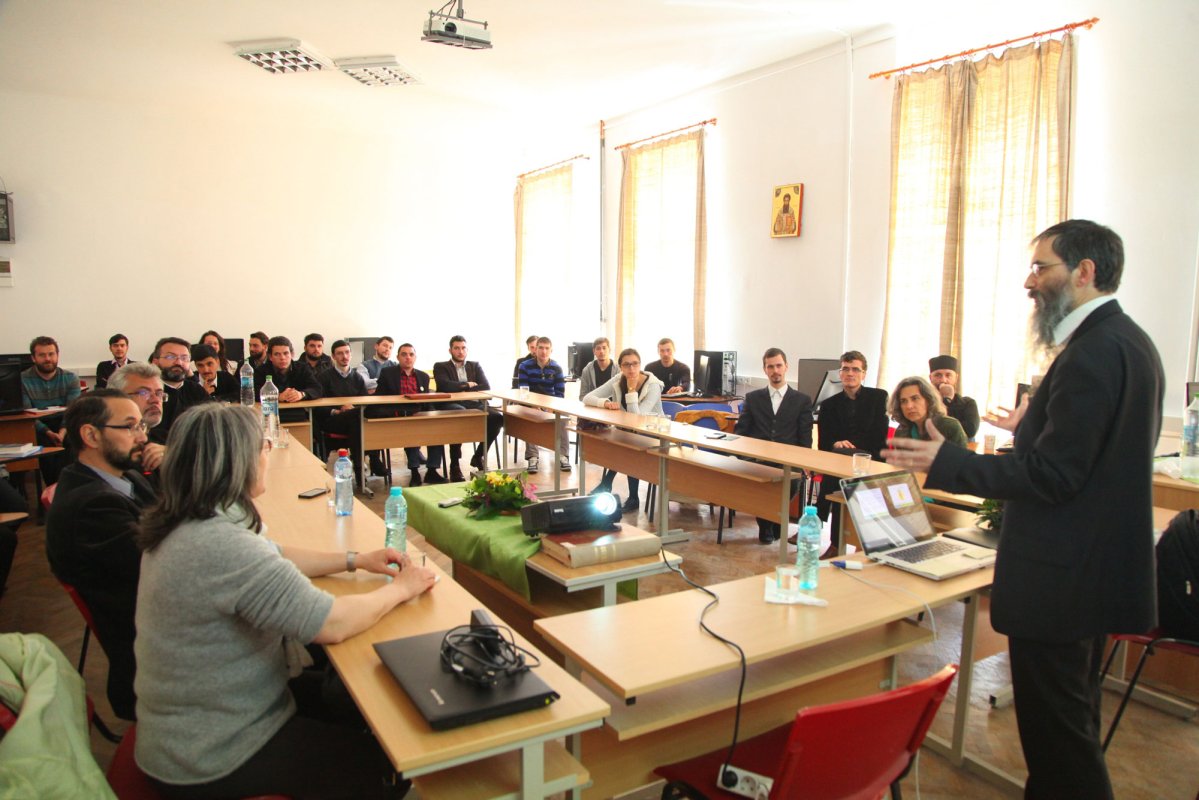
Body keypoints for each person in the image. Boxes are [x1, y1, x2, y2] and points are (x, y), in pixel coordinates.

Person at [886, 220, 1163, 799]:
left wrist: (948, 462)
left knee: (1061, 750)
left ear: (1084, 272)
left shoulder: (1091, 353)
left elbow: (1056, 477)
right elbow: (1092, 461)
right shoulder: (1130, 343)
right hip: (1091, 576)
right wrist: (1030, 431)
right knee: (1072, 731)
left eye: (1042, 268)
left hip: (1061, 583)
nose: (1028, 281)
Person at [134, 403, 436, 798]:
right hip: (215, 754)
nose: (266, 456)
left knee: (355, 699)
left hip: (195, 728)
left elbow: (273, 552)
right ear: (236, 461)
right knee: (387, 756)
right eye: (261, 447)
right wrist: (402, 588)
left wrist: (355, 560)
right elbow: (332, 623)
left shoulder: (193, 519)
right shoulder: (218, 544)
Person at [46, 390, 155, 720]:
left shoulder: (124, 478)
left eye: (142, 427)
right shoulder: (92, 506)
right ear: (91, 435)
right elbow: (169, 565)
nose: (142, 437)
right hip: (156, 662)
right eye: (130, 427)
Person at [733, 348, 813, 543]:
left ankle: (772, 519)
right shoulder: (753, 398)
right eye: (770, 366)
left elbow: (805, 437)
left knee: (792, 480)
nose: (775, 370)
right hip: (759, 459)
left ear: (786, 367)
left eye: (779, 365)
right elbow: (741, 432)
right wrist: (744, 458)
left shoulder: (802, 401)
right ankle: (768, 523)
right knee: (761, 479)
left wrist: (805, 463)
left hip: (789, 460)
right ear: (765, 370)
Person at [814, 350, 889, 555]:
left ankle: (820, 517)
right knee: (841, 476)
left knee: (840, 472)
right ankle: (837, 543)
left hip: (871, 460)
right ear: (839, 374)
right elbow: (824, 443)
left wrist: (851, 448)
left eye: (855, 369)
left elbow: (878, 436)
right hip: (841, 463)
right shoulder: (829, 405)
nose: (850, 373)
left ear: (864, 374)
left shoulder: (878, 397)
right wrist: (837, 443)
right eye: (845, 369)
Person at [582, 348, 663, 512]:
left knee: (627, 447)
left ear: (640, 364)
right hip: (630, 434)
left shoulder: (653, 385)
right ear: (620, 367)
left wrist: (632, 390)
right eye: (626, 365)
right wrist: (605, 403)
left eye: (635, 364)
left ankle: (611, 487)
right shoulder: (619, 379)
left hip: (654, 434)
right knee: (624, 444)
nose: (631, 369)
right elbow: (587, 398)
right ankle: (626, 494)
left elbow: (636, 419)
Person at [432, 335, 503, 479]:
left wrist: (459, 388)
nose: (460, 351)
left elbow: (485, 386)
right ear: (450, 350)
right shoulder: (441, 366)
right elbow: (444, 385)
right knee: (460, 414)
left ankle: (478, 456)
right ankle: (454, 464)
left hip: (475, 403)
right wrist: (468, 384)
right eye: (456, 348)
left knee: (497, 417)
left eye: (463, 348)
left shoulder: (474, 365)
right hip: (451, 404)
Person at [376, 343, 446, 486]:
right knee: (411, 428)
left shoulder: (423, 376)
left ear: (415, 357)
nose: (408, 357)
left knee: (438, 427)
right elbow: (379, 398)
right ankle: (414, 471)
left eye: (411, 354)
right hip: (398, 416)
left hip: (419, 413)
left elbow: (426, 399)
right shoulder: (387, 373)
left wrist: (432, 414)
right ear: (398, 357)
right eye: (404, 354)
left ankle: (432, 470)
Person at [22, 335, 81, 484]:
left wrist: (61, 432)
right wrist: (48, 432)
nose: (48, 359)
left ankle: (66, 487)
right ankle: (53, 489)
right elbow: (26, 414)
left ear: (57, 355)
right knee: (45, 447)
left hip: (65, 423)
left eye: (51, 354)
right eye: (42, 355)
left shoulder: (71, 378)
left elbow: (72, 411)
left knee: (73, 442)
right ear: (33, 358)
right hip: (37, 426)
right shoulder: (22, 379)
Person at [316, 340, 374, 476]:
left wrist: (353, 408)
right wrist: (337, 411)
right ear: (333, 357)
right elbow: (318, 405)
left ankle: (361, 469)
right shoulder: (324, 377)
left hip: (354, 421)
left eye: (347, 352)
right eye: (340, 353)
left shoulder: (358, 377)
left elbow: (364, 401)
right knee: (356, 419)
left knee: (356, 420)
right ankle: (362, 469)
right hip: (333, 420)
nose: (344, 356)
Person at [516, 337, 570, 473]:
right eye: (541, 348)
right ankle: (533, 457)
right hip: (530, 403)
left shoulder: (556, 368)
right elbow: (523, 391)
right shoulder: (524, 366)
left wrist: (551, 408)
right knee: (530, 415)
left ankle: (563, 455)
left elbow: (560, 393)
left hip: (551, 403)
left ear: (551, 350)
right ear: (535, 349)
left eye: (547, 348)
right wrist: (534, 406)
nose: (543, 351)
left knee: (564, 416)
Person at [110, 363, 169, 472]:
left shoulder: (166, 439)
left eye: (159, 393)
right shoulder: (112, 446)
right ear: (116, 397)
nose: (155, 400)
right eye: (143, 393)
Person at [150, 337, 208, 442]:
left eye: (184, 358)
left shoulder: (196, 390)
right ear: (155, 362)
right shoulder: (147, 392)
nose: (179, 362)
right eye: (170, 356)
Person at [254, 336, 322, 424]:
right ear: (270, 357)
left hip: (298, 414)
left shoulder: (302, 368)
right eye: (277, 354)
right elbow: (254, 392)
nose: (282, 358)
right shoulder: (261, 371)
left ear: (292, 354)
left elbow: (317, 388)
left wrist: (301, 394)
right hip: (269, 416)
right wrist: (277, 397)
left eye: (286, 353)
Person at [889, 376, 967, 447]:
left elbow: (960, 462)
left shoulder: (950, 427)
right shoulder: (901, 432)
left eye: (915, 398)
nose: (909, 406)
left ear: (929, 400)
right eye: (903, 401)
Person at [928, 355, 980, 438]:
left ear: (956, 378)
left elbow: (970, 431)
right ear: (930, 378)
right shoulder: (924, 403)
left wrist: (947, 400)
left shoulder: (968, 403)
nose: (943, 380)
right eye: (938, 375)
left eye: (948, 375)